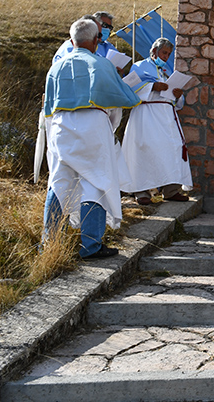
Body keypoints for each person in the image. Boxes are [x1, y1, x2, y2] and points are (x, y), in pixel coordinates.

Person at [41, 18, 141, 259]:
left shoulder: (56, 67)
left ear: (71, 38)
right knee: (96, 184)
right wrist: (111, 128)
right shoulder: (101, 64)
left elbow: (48, 107)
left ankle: (48, 243)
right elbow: (117, 104)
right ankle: (91, 245)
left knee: (58, 183)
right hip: (93, 127)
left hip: (61, 128)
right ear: (97, 40)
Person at [122, 38, 193, 206]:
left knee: (173, 148)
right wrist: (152, 87)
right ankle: (142, 191)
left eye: (168, 54)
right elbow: (128, 87)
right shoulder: (139, 66)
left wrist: (177, 95)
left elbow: (177, 102)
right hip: (146, 114)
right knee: (144, 148)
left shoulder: (167, 71)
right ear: (154, 51)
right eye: (164, 53)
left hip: (167, 116)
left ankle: (171, 190)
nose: (166, 56)